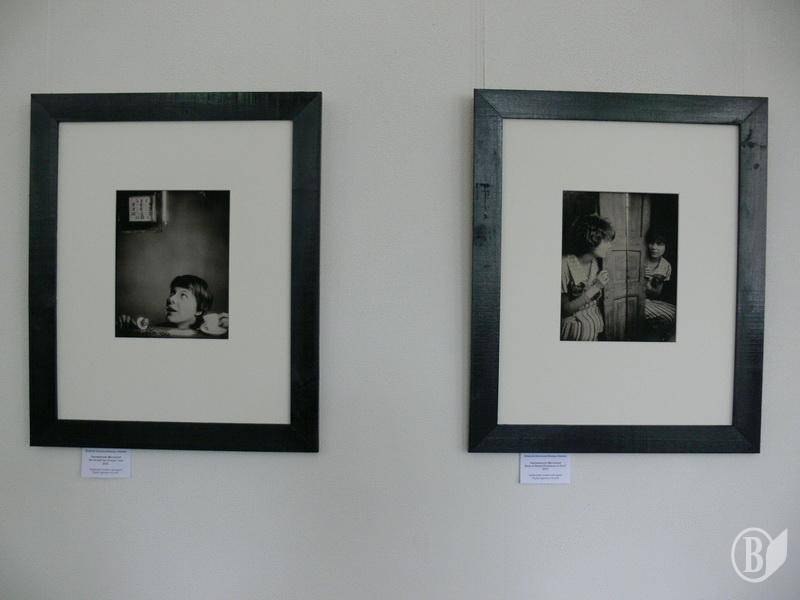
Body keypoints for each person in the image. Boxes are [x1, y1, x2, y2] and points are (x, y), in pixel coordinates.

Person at [116, 274, 228, 337]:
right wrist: (129, 330)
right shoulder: (157, 331)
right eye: (172, 293)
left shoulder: (212, 334)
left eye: (183, 295)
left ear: (199, 310)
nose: (171, 299)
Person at [560, 214, 614, 341]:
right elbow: (564, 310)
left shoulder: (596, 263)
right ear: (591, 239)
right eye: (606, 241)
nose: (610, 246)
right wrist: (596, 287)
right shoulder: (564, 264)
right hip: (574, 333)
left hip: (595, 329)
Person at [643, 230, 676, 341]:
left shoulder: (665, 265)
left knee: (677, 313)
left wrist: (647, 281)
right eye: (651, 243)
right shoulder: (639, 258)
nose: (654, 247)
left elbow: (656, 294)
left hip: (650, 300)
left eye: (659, 244)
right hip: (634, 301)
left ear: (666, 246)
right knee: (671, 315)